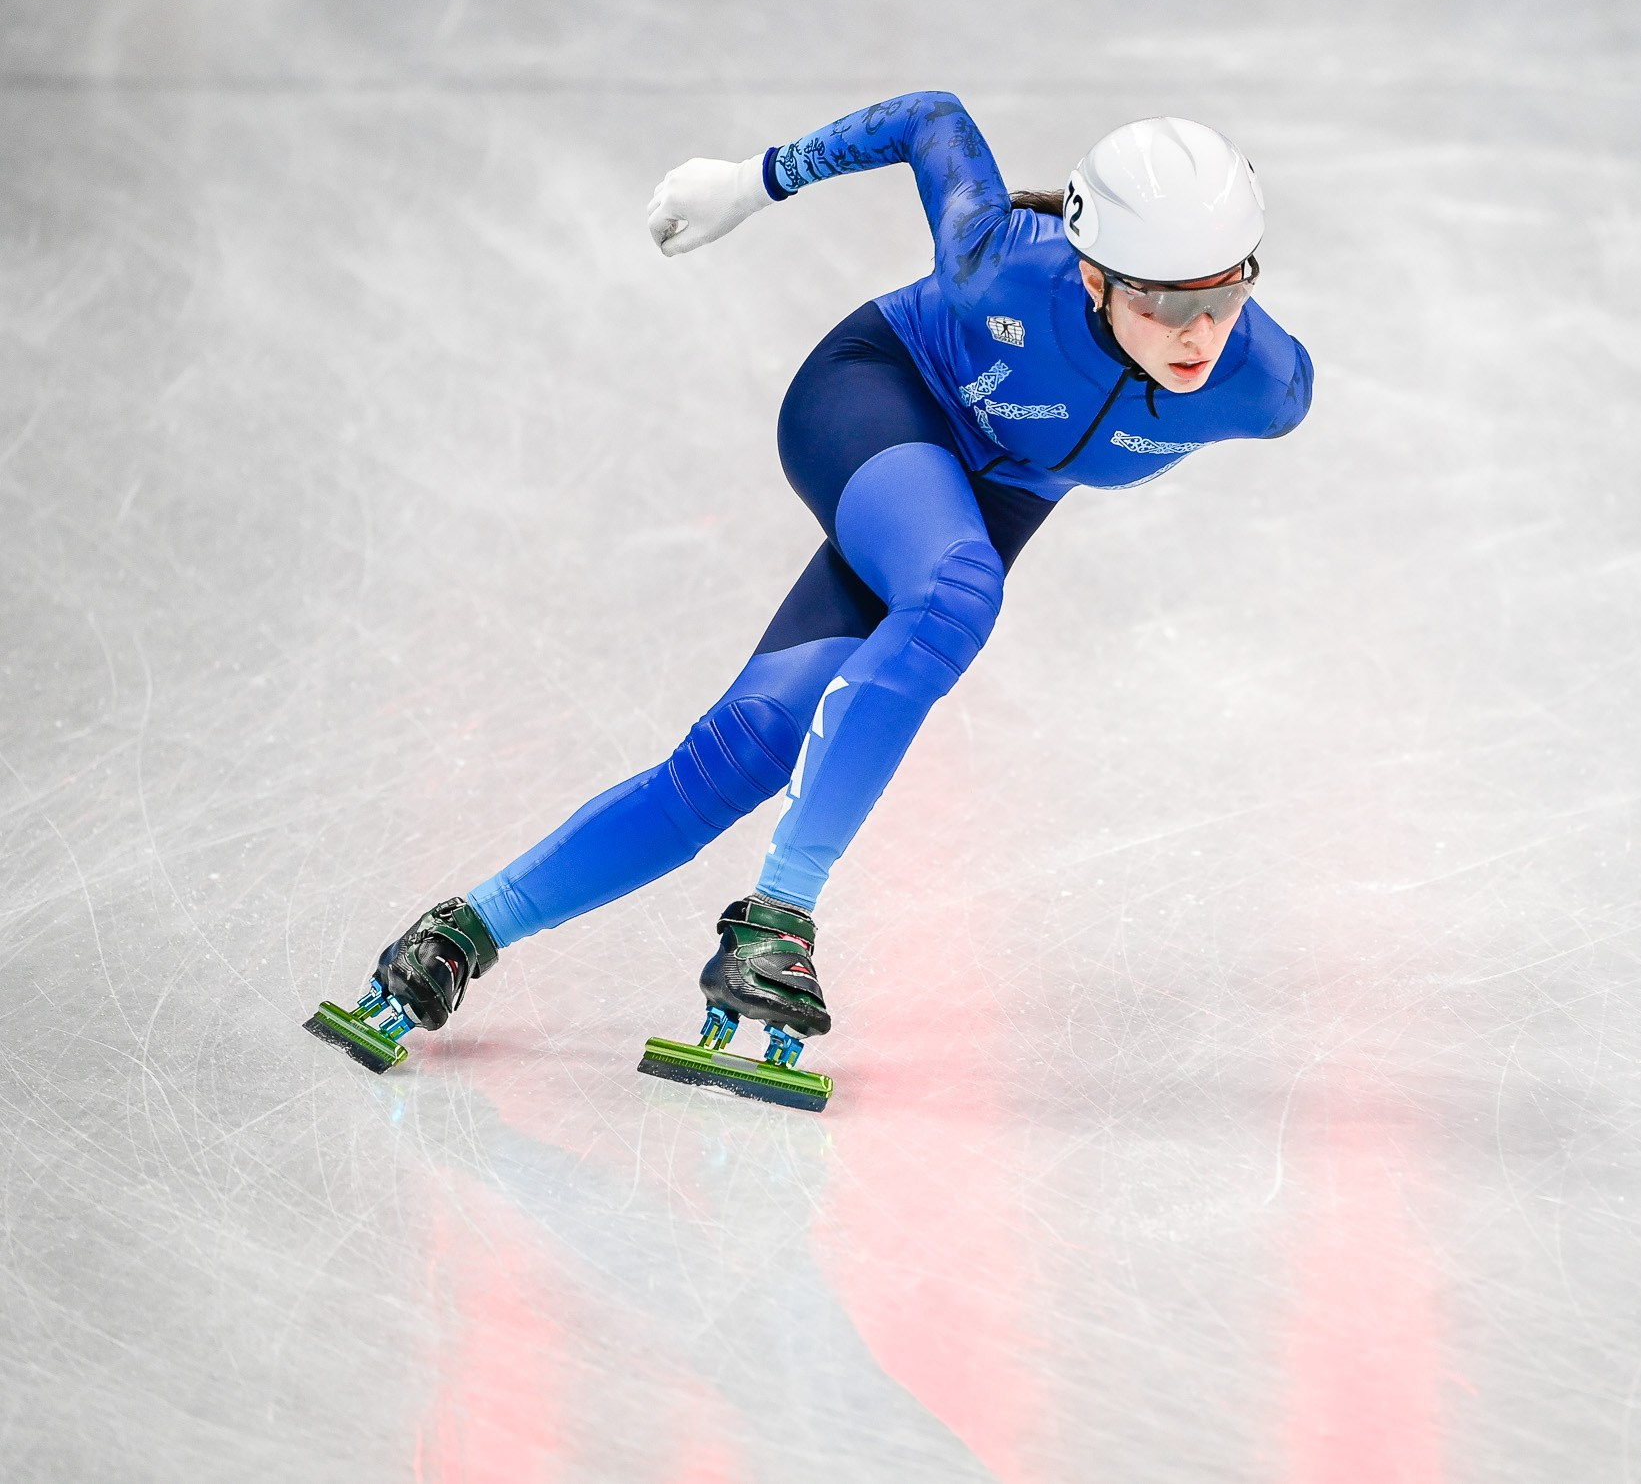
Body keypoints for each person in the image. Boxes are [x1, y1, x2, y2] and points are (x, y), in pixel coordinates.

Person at [316, 92, 1314, 1081]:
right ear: (1094, 275)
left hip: (982, 500)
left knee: (746, 748)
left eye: (1225, 293)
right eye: (1164, 301)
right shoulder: (996, 264)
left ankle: (458, 931)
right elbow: (932, 119)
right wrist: (753, 180)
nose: (1200, 330)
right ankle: (777, 917)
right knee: (957, 589)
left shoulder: (1267, 385)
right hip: (876, 395)